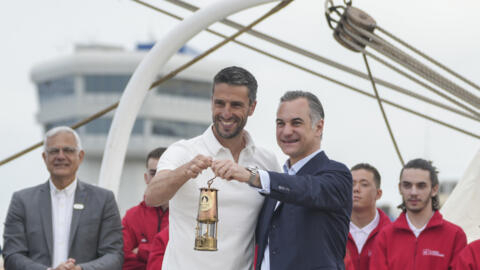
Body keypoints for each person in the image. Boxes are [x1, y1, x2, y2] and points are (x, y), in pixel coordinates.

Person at [144, 66, 280, 270]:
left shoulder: (267, 161)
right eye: (219, 103)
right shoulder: (182, 151)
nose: (226, 113)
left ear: (252, 107)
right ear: (211, 103)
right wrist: (185, 171)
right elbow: (152, 196)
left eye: (235, 105)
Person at [212, 90, 353, 269]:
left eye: (296, 123)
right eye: (280, 123)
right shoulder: (274, 183)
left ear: (319, 127)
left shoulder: (337, 175)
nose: (286, 132)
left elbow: (307, 189)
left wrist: (252, 176)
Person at [2, 126, 123, 270]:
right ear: (44, 158)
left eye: (68, 150)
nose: (60, 156)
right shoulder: (22, 201)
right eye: (53, 151)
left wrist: (80, 269)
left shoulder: (103, 200)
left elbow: (114, 256)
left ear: (81, 156)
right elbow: (12, 255)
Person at [370, 158, 467, 270]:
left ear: (434, 189)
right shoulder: (385, 236)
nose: (413, 192)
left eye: (421, 186)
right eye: (407, 185)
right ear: (400, 188)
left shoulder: (455, 236)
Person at [122, 147, 168, 270]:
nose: (158, 179)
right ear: (146, 178)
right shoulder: (132, 216)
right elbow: (123, 260)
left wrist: (142, 250)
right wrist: (162, 252)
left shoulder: (185, 215)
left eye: (163, 173)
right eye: (153, 173)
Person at [346, 163, 391, 270]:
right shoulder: (332, 231)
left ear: (378, 194)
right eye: (351, 184)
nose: (356, 189)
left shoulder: (392, 234)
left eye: (364, 184)